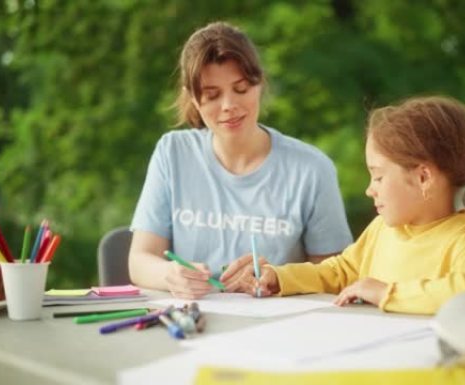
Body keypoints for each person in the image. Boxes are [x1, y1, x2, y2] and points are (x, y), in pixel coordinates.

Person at [222, 96, 465, 315]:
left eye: (378, 176)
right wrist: (280, 278)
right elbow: (339, 271)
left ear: (424, 177)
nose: (369, 189)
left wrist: (387, 293)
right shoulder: (382, 231)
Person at [128, 21, 353, 299]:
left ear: (259, 85)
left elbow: (337, 274)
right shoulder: (172, 153)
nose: (228, 106)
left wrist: (279, 277)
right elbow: (140, 260)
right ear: (193, 99)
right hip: (193, 322)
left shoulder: (312, 169)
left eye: (242, 89)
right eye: (212, 95)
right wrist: (170, 275)